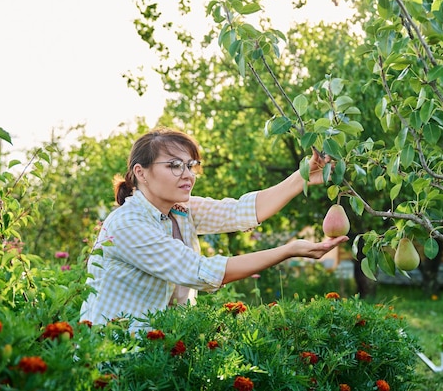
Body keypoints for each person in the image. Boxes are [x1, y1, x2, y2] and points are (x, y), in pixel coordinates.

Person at [80, 127, 347, 329]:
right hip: (114, 356)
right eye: (174, 165)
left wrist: (302, 176)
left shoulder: (180, 209)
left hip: (157, 352)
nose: (187, 174)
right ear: (141, 173)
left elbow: (241, 211)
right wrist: (288, 250)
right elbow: (201, 272)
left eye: (190, 165)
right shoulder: (129, 224)